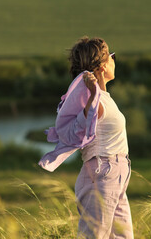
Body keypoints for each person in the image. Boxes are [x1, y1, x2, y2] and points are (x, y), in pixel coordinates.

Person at [38, 36, 133, 238]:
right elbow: (85, 122)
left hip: (115, 175)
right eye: (111, 57)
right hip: (102, 173)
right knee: (94, 235)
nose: (114, 60)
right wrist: (91, 95)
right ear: (101, 67)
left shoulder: (103, 98)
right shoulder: (93, 102)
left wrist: (95, 92)